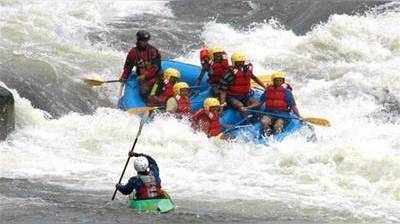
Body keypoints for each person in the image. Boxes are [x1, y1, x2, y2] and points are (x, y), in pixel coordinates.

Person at [120, 30, 161, 102]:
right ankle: (147, 102)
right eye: (143, 41)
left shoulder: (153, 51)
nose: (145, 42)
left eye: (146, 41)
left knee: (161, 87)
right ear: (139, 40)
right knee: (144, 91)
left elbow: (156, 67)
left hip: (155, 75)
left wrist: (146, 75)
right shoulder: (133, 52)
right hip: (143, 79)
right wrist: (124, 77)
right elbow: (128, 67)